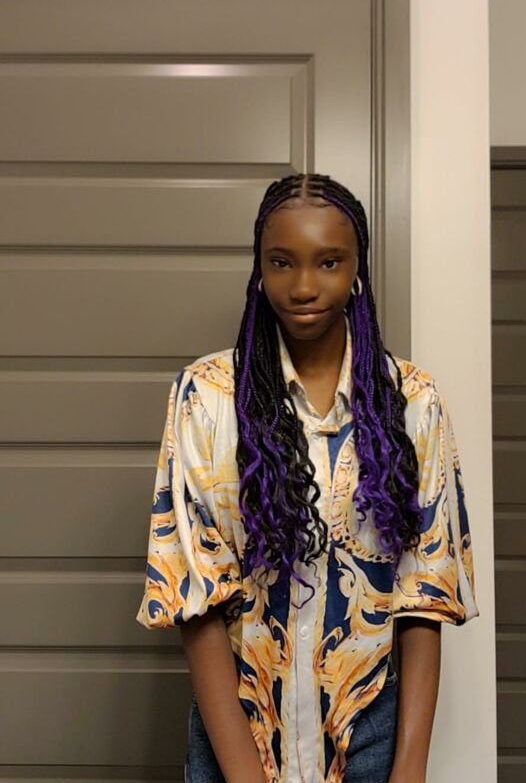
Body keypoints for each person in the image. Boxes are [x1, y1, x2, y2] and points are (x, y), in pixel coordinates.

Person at [135, 173, 479, 783]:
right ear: (259, 269)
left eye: (328, 262)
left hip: (370, 735)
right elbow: (196, 600)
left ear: (358, 268)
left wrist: (410, 769)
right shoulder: (206, 398)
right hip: (235, 735)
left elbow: (424, 596)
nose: (302, 286)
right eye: (281, 262)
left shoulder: (415, 401)